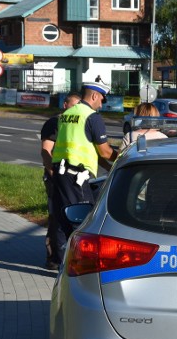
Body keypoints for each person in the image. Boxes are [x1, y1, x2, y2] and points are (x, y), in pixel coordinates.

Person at [50, 81, 118, 259]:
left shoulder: (68, 113)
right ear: (94, 96)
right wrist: (121, 157)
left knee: (62, 218)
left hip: (61, 174)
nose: (101, 104)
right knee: (82, 221)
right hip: (76, 177)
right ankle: (78, 263)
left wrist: (109, 168)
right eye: (101, 99)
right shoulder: (92, 116)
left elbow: (86, 148)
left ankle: (59, 261)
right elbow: (104, 151)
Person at [40, 92, 81, 269]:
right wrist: (53, 174)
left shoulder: (79, 123)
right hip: (56, 176)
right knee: (56, 215)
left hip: (74, 177)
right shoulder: (54, 122)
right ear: (65, 105)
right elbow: (46, 151)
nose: (76, 110)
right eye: (73, 105)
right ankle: (53, 258)